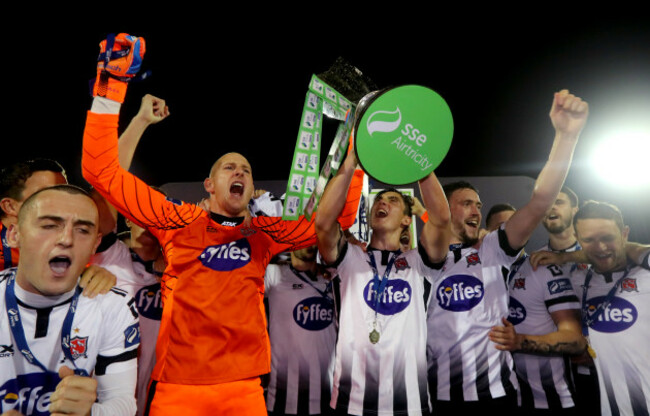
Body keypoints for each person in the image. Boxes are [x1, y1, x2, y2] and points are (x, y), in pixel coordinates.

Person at [81, 33, 362, 415]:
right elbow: (100, 172)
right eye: (230, 167)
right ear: (210, 185)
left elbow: (335, 223)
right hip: (179, 387)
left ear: (250, 187)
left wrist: (356, 160)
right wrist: (109, 87)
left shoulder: (266, 234)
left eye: (246, 169)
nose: (240, 172)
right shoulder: (175, 218)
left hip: (244, 390)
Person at [426, 89, 589, 415]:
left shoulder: (492, 250)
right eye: (467, 203)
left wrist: (566, 137)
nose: (476, 209)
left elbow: (540, 201)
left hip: (496, 397)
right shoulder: (421, 257)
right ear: (445, 208)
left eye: (479, 204)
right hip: (436, 396)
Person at [315, 147, 451, 415]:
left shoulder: (419, 263)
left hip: (409, 404)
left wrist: (420, 164)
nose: (382, 203)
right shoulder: (349, 258)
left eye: (392, 200)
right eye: (378, 201)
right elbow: (322, 223)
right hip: (349, 402)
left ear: (405, 219)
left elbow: (442, 219)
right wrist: (352, 160)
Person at [0, 185, 139, 416]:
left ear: (96, 243)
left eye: (83, 230)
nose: (66, 239)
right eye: (49, 226)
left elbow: (123, 403)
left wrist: (90, 413)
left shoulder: (112, 306)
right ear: (14, 235)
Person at [532, 201, 650, 416]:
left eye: (608, 238)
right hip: (591, 396)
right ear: (577, 239)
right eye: (588, 240)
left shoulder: (646, 275)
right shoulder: (575, 279)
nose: (601, 248)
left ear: (625, 234)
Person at [488, 186, 591, 415]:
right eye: (548, 204)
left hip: (603, 365)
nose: (552, 208)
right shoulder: (534, 263)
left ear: (576, 209)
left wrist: (566, 257)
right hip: (548, 381)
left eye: (560, 202)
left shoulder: (601, 253)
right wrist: (424, 214)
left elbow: (626, 253)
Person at [264, 245, 336, 416]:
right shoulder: (274, 274)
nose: (309, 242)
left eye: (313, 236)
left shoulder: (333, 277)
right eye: (304, 236)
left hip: (327, 397)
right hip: (282, 398)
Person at [1, 159, 67, 270]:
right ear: (10, 206)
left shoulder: (70, 240)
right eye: (45, 195)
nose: (61, 203)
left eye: (65, 194)